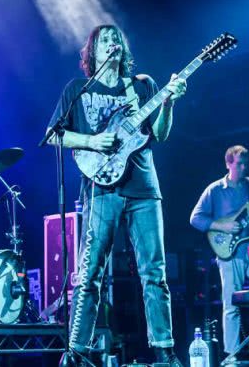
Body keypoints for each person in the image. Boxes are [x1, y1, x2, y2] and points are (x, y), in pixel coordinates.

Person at [47, 24, 187, 366]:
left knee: (154, 272)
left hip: (144, 189)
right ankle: (78, 350)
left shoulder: (142, 86)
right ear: (92, 51)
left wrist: (168, 102)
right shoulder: (78, 90)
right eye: (105, 39)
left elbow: (161, 134)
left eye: (117, 38)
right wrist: (91, 141)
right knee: (90, 272)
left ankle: (164, 352)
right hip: (101, 188)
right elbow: (53, 135)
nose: (113, 43)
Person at [189, 145, 249, 361]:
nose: (243, 168)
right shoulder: (214, 190)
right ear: (228, 164)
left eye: (246, 164)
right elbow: (195, 219)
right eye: (238, 164)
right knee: (231, 305)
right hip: (229, 254)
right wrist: (221, 226)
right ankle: (231, 355)